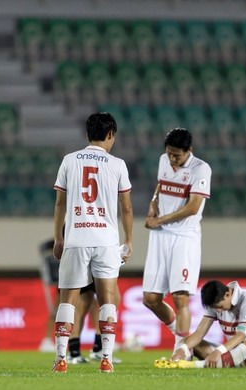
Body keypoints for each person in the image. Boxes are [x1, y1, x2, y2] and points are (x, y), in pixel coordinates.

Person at [52, 112, 133, 373]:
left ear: (88, 134)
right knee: (107, 298)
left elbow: (60, 203)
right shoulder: (118, 164)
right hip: (106, 239)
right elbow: (127, 207)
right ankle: (106, 358)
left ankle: (61, 359)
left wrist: (58, 236)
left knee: (68, 300)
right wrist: (129, 239)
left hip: (76, 237)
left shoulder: (69, 160)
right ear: (111, 135)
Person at [142, 128, 212, 351]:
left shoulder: (200, 169)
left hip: (184, 237)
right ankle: (184, 340)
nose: (172, 159)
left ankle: (181, 352)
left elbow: (192, 207)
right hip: (160, 237)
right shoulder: (164, 160)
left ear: (189, 151)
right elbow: (161, 185)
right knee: (150, 298)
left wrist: (160, 219)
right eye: (170, 154)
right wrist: (154, 202)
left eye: (177, 155)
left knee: (180, 297)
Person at [156, 280, 246, 369]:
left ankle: (193, 365)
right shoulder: (217, 301)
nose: (218, 311)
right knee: (188, 341)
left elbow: (241, 336)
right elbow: (199, 333)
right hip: (231, 353)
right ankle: (179, 362)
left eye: (219, 307)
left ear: (228, 294)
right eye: (214, 308)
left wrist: (218, 351)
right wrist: (182, 349)